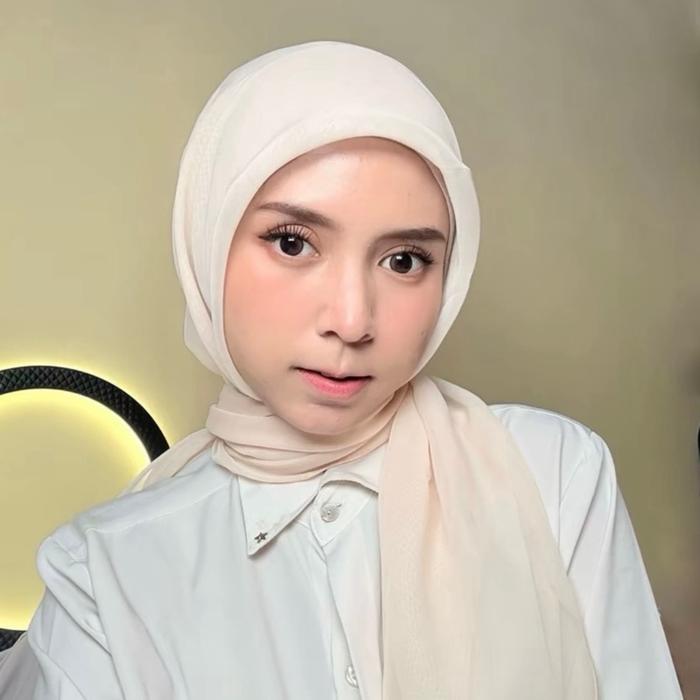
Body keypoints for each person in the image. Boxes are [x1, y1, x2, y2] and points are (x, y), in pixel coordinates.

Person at [0, 40, 683, 699]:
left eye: (404, 261)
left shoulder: (550, 474)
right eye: (293, 243)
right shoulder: (106, 572)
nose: (353, 321)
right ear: (207, 240)